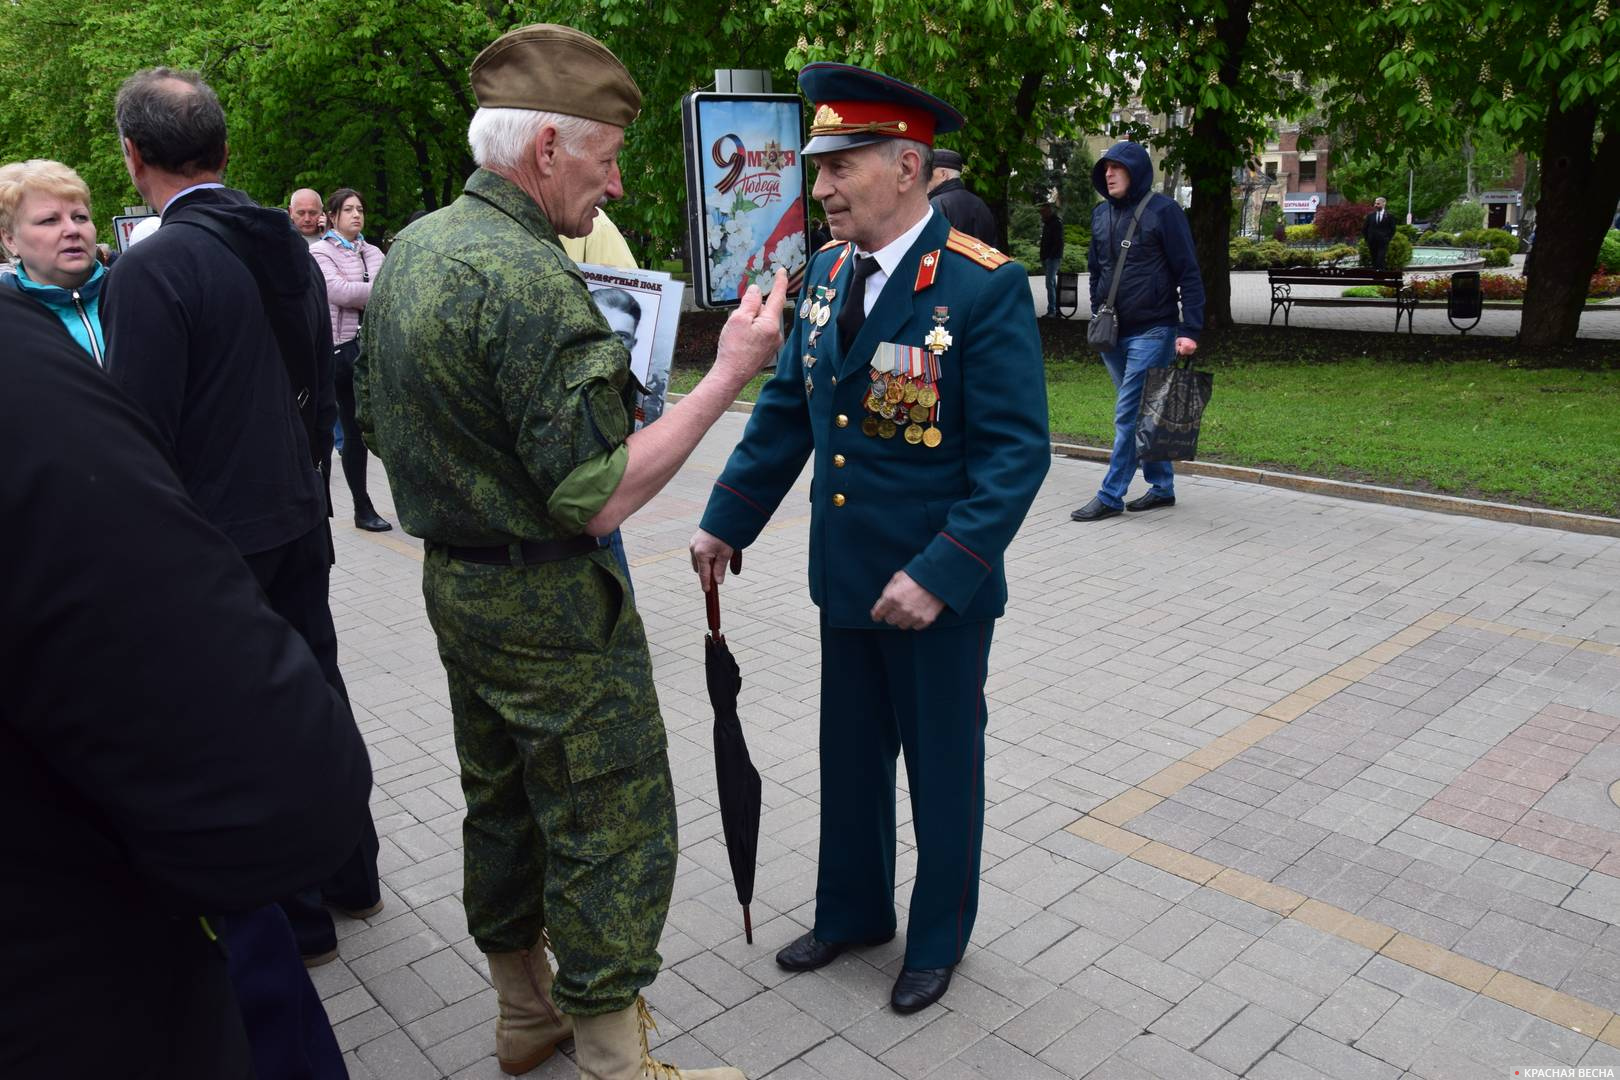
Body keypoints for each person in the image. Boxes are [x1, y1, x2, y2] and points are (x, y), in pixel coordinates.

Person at [356, 23, 786, 1080]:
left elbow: (376, 419)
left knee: (498, 799)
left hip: (458, 586)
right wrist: (728, 374)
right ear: (547, 149)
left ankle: (523, 1016)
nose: (620, 184)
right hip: (550, 603)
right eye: (608, 156)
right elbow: (599, 498)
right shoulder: (530, 279)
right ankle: (609, 1053)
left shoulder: (416, 248)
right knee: (608, 815)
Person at [690, 61, 1050, 1016]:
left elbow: (1017, 458)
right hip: (846, 581)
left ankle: (938, 938)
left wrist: (942, 574)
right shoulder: (822, 277)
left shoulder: (981, 288)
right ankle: (853, 912)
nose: (820, 188)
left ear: (905, 165)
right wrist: (726, 518)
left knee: (941, 771)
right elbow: (788, 415)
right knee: (849, 761)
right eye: (819, 167)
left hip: (936, 595)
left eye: (838, 165)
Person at [0, 284, 373, 1080]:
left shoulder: (128, 293)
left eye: (76, 213)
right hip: (106, 987)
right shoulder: (36, 364)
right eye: (47, 217)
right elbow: (274, 781)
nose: (70, 230)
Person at [101, 67, 383, 967]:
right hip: (297, 510)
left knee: (245, 720)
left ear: (133, 156)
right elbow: (315, 391)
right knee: (318, 689)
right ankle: (352, 870)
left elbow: (138, 434)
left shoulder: (152, 270)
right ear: (225, 152)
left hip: (217, 534)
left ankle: (298, 914)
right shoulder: (284, 249)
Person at [1071, 141, 1204, 522]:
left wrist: (1189, 328)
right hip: (1111, 333)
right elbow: (1097, 268)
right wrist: (1098, 308)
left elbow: (1189, 273)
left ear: (1137, 171)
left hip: (1154, 330)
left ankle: (1111, 494)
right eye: (1105, 168)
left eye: (1118, 167)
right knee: (1147, 410)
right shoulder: (1100, 215)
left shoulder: (1165, 212)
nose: (1109, 174)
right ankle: (1162, 487)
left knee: (1128, 415)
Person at [311, 186, 393, 532]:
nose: (356, 215)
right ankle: (345, 507)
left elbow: (386, 286)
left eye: (360, 208)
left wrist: (361, 289)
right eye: (348, 209)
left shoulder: (372, 250)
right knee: (342, 430)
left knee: (377, 429)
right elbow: (338, 292)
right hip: (338, 353)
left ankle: (379, 504)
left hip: (372, 350)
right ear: (332, 216)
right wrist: (366, 289)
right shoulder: (319, 252)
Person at [0, 159, 107, 366]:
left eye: (80, 217)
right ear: (10, 239)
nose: (72, 230)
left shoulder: (136, 291)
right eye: (49, 220)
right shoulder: (7, 317)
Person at [926, 147, 996, 246]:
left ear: (943, 174)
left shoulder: (936, 204)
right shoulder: (980, 204)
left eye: (928, 172)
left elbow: (930, 248)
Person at [1038, 201, 1064, 318]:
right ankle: (1054, 309)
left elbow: (1058, 242)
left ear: (1048, 211)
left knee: (1050, 283)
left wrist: (1050, 256)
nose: (1041, 215)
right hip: (1048, 257)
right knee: (1052, 283)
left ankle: (1052, 310)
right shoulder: (1048, 224)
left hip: (1052, 258)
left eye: (1043, 212)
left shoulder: (1055, 224)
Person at [1363, 195, 1397, 269]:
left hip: (1383, 242)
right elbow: (1364, 229)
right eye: (1375, 203)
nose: (1376, 205)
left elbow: (1393, 229)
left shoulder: (1389, 216)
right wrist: (1367, 240)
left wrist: (1387, 239)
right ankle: (1375, 278)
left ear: (1384, 203)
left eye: (1378, 204)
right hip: (1372, 242)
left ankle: (1381, 277)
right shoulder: (1370, 216)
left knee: (1380, 260)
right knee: (1374, 260)